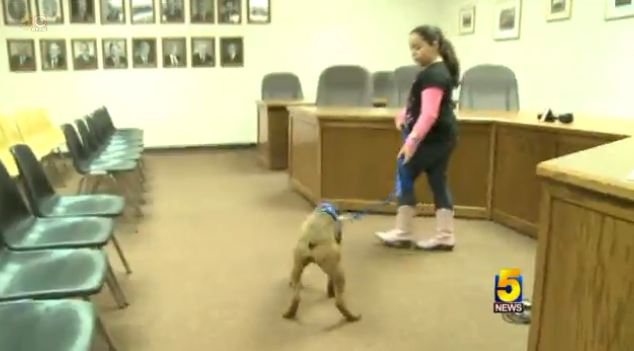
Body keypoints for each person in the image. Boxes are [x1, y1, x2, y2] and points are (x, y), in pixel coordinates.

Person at [374, 25, 461, 251]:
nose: (414, 53)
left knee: (405, 172)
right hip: (443, 138)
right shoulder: (437, 70)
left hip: (431, 140)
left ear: (434, 44)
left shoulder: (434, 74)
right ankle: (445, 235)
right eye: (411, 49)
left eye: (418, 47)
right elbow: (420, 105)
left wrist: (411, 142)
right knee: (437, 181)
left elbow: (430, 113)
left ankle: (404, 232)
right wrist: (402, 114)